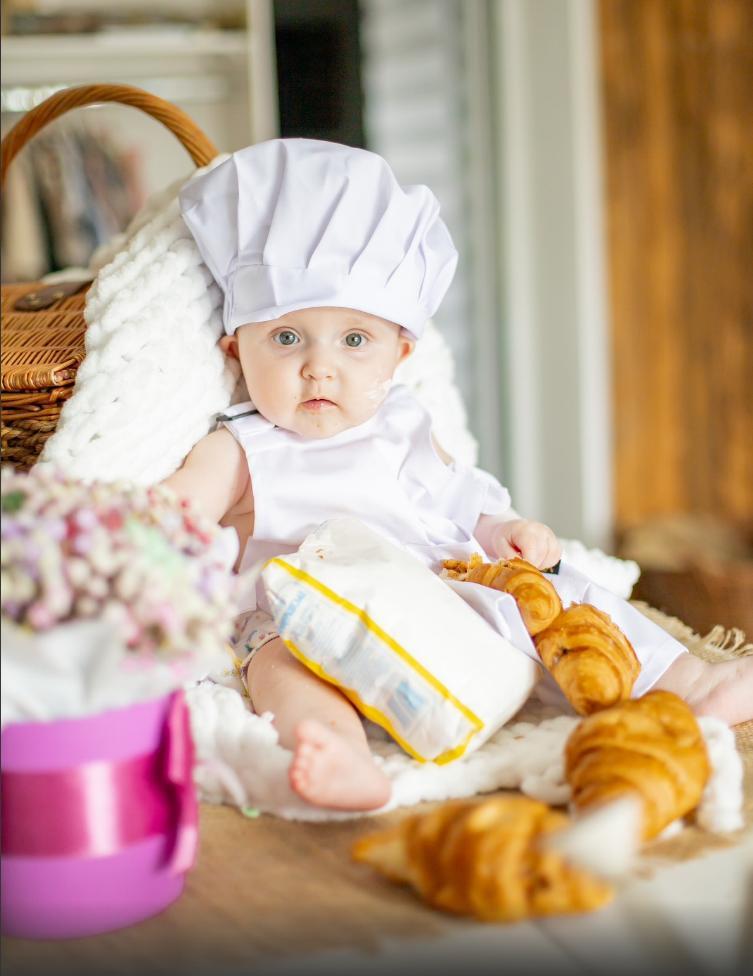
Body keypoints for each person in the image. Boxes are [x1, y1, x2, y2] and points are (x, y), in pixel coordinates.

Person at [165, 139, 753, 812]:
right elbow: (169, 517)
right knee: (277, 667)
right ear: (235, 350)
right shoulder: (238, 446)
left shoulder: (401, 425)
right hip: (304, 612)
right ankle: (333, 750)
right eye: (287, 338)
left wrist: (503, 527)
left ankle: (685, 681)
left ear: (399, 353)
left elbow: (454, 494)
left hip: (431, 585)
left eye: (354, 340)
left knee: (564, 599)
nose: (319, 367)